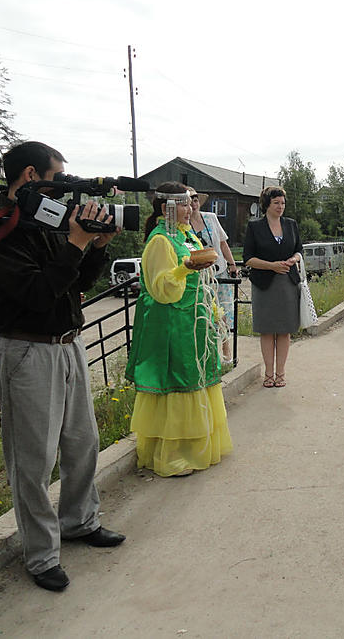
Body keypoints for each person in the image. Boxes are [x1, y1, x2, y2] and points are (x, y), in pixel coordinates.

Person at [0, 141, 125, 594]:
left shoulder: (47, 222)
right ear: (32, 176)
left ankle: (79, 521)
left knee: (82, 442)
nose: (63, 193)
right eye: (57, 181)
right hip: (26, 351)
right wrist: (75, 242)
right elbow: (39, 294)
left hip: (68, 344)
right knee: (34, 459)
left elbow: (75, 286)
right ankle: (41, 554)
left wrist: (94, 247)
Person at [125, 182, 233, 477]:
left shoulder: (187, 236)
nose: (191, 208)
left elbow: (202, 281)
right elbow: (162, 288)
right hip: (174, 323)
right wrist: (185, 267)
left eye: (191, 202)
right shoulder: (160, 241)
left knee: (198, 381)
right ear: (167, 208)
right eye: (184, 203)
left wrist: (214, 314)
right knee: (179, 382)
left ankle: (196, 447)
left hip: (195, 322)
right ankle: (174, 455)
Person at [243, 186, 303, 389]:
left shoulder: (291, 225)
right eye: (276, 202)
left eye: (283, 203)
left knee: (284, 331)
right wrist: (272, 266)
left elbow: (299, 250)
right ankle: (268, 374)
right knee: (267, 330)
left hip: (288, 283)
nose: (280, 206)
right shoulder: (255, 227)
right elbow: (248, 259)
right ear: (267, 204)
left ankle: (281, 373)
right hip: (264, 284)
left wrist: (293, 260)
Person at [189, 189, 237, 364]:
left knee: (223, 314)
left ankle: (226, 353)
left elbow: (223, 243)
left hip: (219, 272)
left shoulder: (210, 217)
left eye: (195, 200)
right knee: (203, 314)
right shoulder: (183, 224)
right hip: (199, 276)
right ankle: (206, 355)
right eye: (190, 200)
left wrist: (232, 264)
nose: (193, 204)